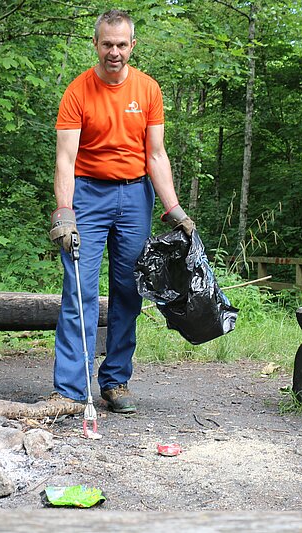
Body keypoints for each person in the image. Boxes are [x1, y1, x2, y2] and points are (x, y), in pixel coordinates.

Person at [48, 9, 195, 414]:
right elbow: (65, 159)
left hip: (135, 197)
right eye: (107, 44)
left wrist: (174, 209)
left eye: (122, 44)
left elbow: (156, 154)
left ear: (133, 46)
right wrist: (64, 211)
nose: (114, 52)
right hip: (88, 196)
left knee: (129, 291)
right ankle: (71, 392)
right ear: (96, 44)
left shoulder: (148, 90)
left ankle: (115, 381)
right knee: (79, 291)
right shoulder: (78, 92)